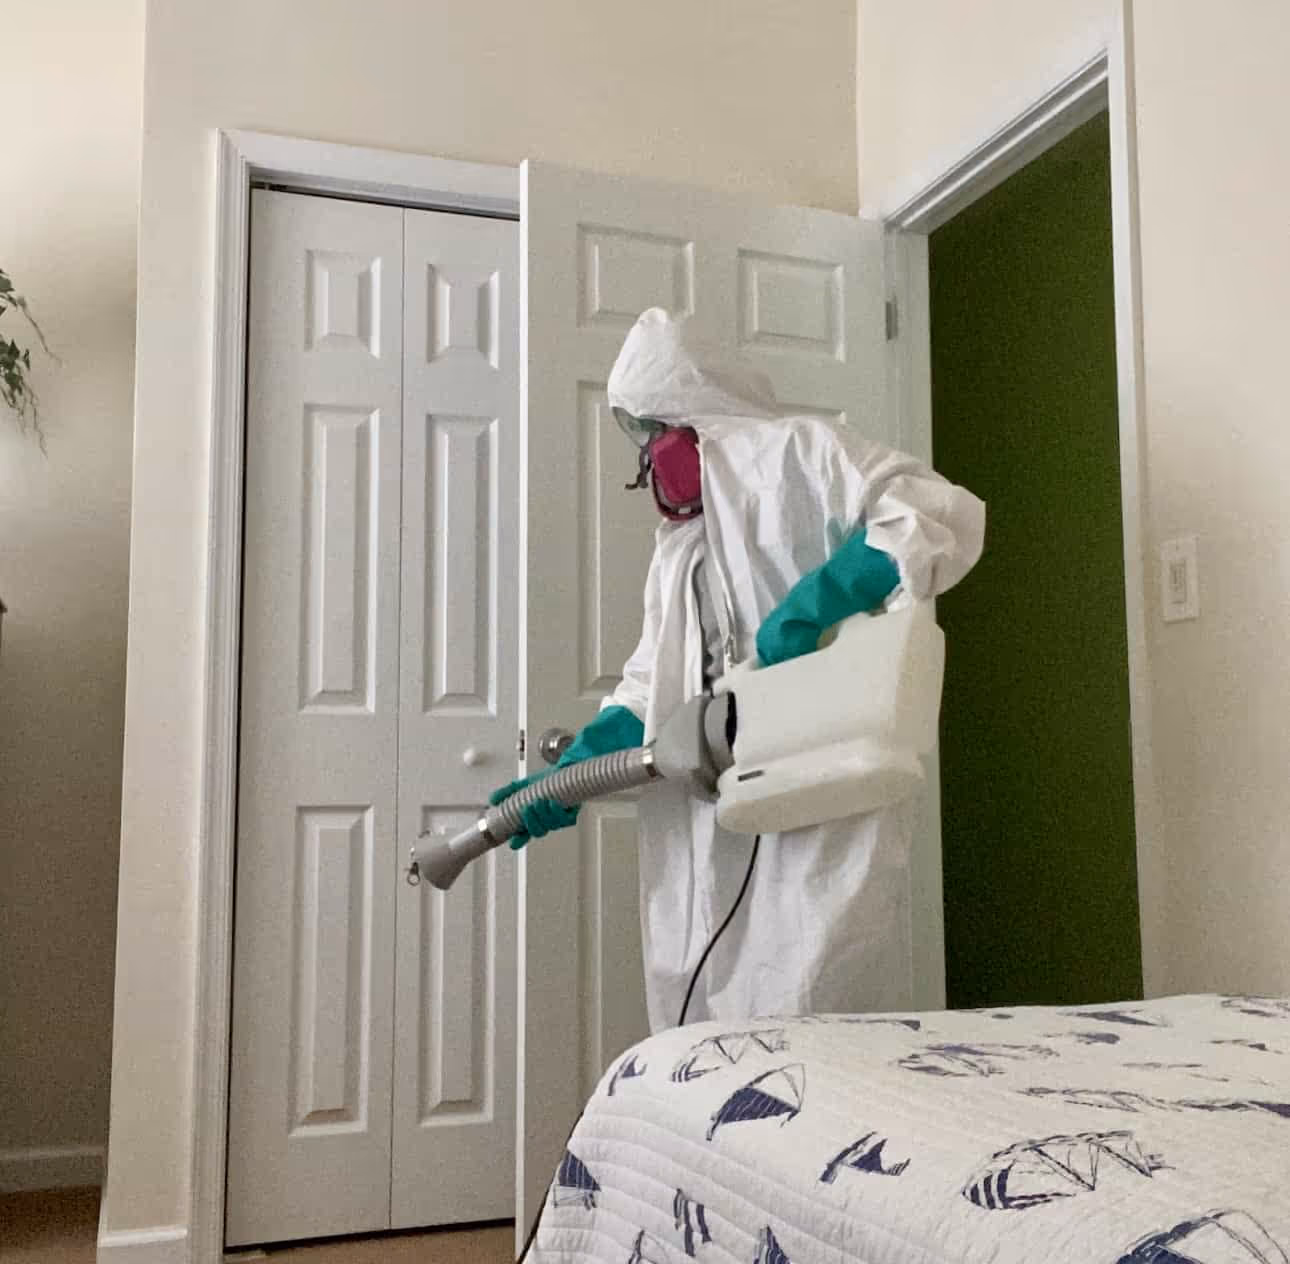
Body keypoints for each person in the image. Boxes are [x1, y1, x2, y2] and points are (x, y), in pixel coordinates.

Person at [492, 308, 986, 1030]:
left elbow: (936, 509)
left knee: (816, 1002)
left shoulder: (801, 456)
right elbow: (649, 681)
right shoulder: (680, 552)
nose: (646, 456)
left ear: (690, 419)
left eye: (650, 432)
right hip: (710, 816)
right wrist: (575, 773)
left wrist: (816, 604)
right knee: (707, 1008)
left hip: (822, 795)